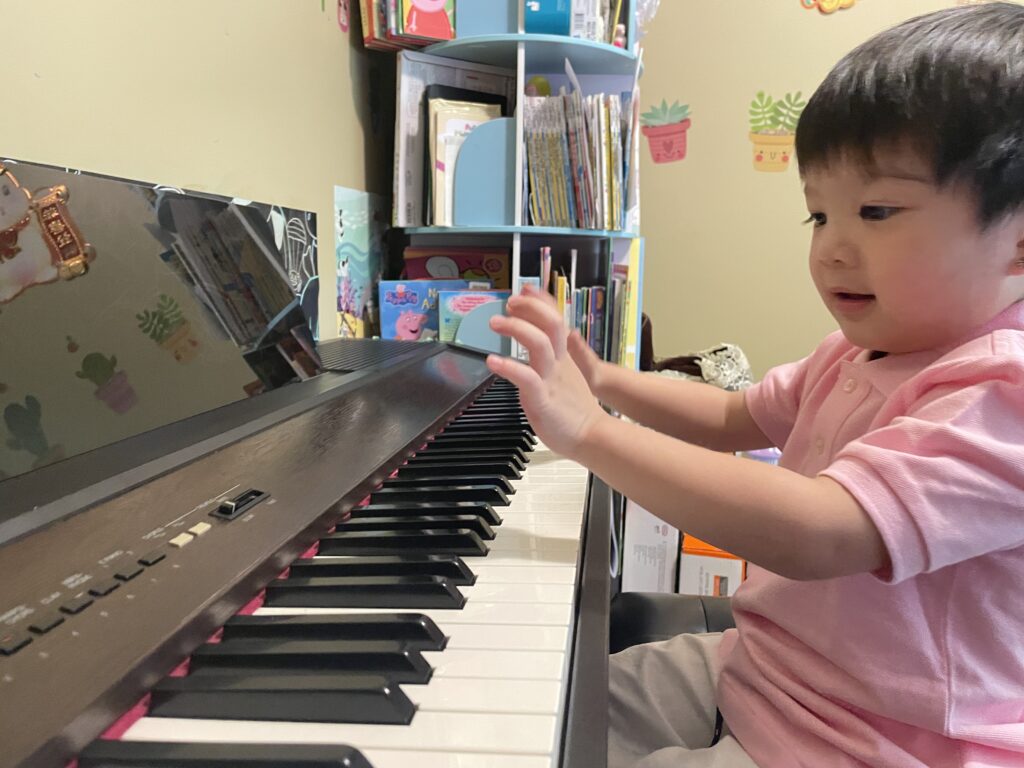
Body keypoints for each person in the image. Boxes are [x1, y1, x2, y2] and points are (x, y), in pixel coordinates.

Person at [486, 4, 1024, 766]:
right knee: (535, 719)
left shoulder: (1002, 393)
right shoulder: (856, 353)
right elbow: (733, 414)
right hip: (772, 670)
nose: (833, 248)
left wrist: (592, 432)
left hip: (873, 741)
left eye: (876, 211)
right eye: (817, 215)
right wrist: (605, 377)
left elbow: (823, 529)